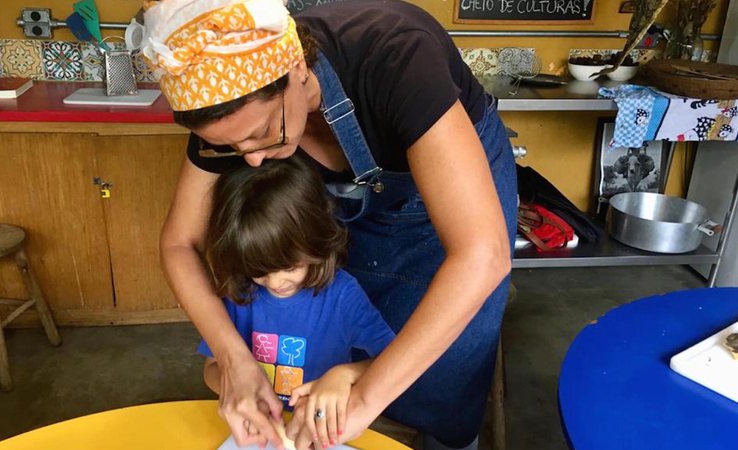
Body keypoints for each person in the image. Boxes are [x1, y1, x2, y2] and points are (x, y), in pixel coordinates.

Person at [144, 0, 517, 448]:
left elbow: (481, 255)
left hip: (442, 206)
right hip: (357, 192)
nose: (253, 159)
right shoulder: (228, 97)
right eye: (230, 147)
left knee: (444, 366)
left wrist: (366, 399)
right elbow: (179, 243)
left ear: (297, 68)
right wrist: (233, 359)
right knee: (334, 337)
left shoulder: (396, 54)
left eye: (263, 133)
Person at [197, 155, 395, 446]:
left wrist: (346, 375)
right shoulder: (238, 295)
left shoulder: (342, 295)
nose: (276, 283)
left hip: (324, 431)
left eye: (289, 267)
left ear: (317, 240)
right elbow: (211, 370)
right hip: (260, 430)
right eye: (259, 271)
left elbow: (393, 358)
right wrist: (239, 388)